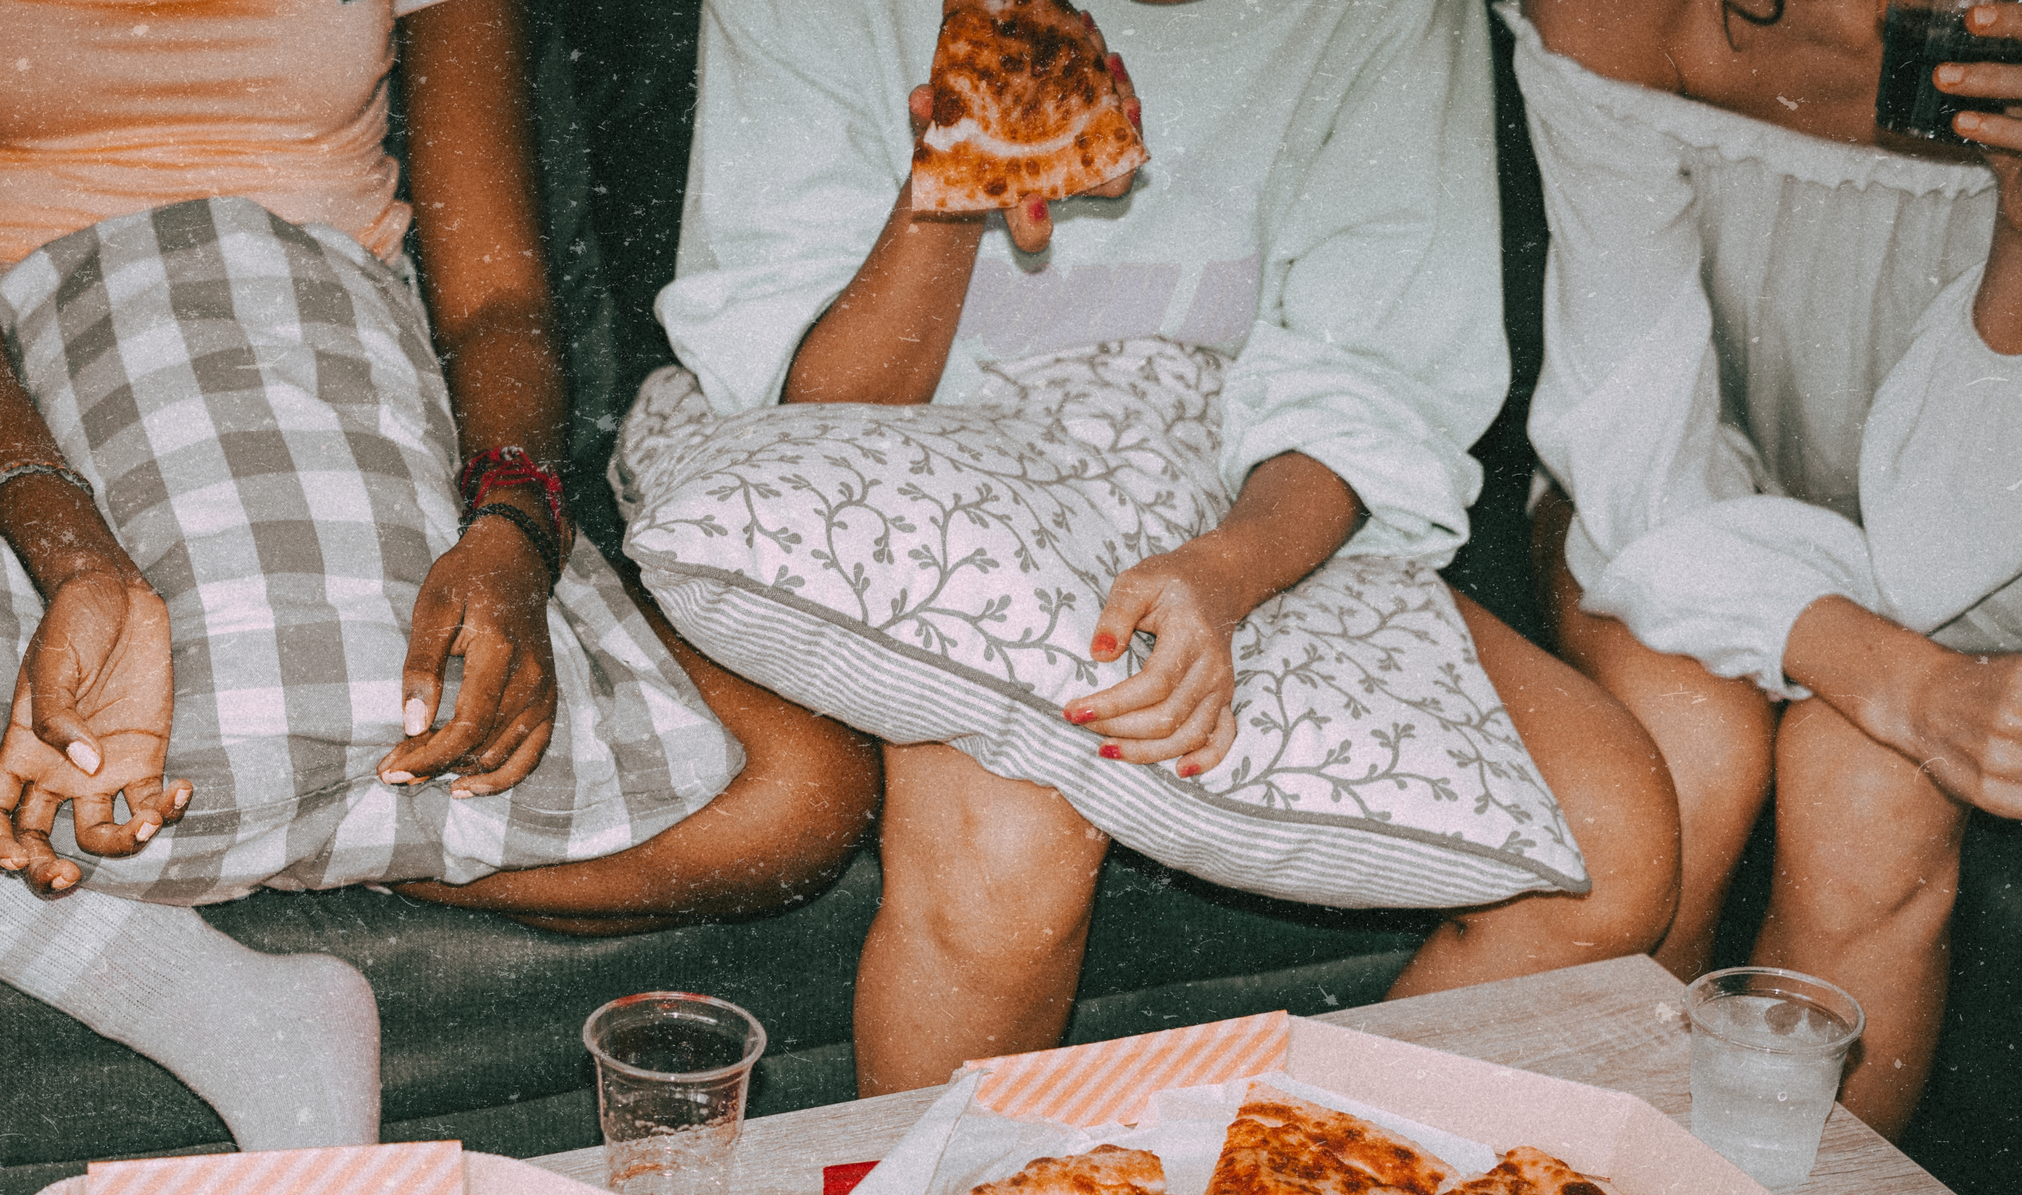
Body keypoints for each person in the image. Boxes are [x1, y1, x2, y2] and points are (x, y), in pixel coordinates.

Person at [0, 0, 880, 1152]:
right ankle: (204, 959)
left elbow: (498, 298)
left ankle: (249, 847)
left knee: (804, 796)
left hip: (322, 328)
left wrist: (510, 529)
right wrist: (81, 563)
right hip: (8, 391)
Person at [650, 0, 1681, 1093]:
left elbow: (1371, 378)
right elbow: (816, 408)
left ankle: (1250, 1193)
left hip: (1237, 474)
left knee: (1614, 850)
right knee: (1009, 854)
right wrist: (954, 186)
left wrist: (1229, 570)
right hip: (920, 457)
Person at [1513, 0, 2022, 1136]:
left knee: (1874, 794)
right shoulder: (1622, 15)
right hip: (1684, 489)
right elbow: (1634, 445)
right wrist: (1899, 679)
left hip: (1986, 536)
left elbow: (1948, 552)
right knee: (1679, 747)